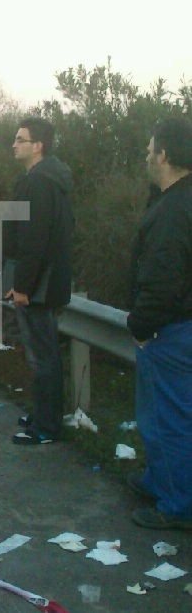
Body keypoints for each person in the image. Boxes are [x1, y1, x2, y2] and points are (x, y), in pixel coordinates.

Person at [125, 118, 192, 530]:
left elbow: (163, 279)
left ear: (164, 154)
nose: (148, 155)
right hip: (179, 324)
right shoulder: (178, 199)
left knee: (167, 418)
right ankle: (159, 480)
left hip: (170, 329)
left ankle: (176, 505)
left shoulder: (172, 209)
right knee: (168, 414)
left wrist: (141, 324)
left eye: (152, 148)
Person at [3, 117, 74, 446]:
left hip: (38, 286)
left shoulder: (39, 183)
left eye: (20, 139)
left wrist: (23, 286)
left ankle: (46, 428)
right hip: (46, 282)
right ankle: (44, 415)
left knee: (42, 358)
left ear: (38, 145)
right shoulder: (47, 178)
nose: (14, 144)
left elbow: (33, 240)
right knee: (45, 355)